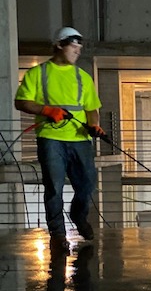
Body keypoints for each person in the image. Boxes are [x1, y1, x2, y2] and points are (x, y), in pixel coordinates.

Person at [14, 26, 106, 254]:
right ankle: (58, 235)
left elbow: (92, 108)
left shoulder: (82, 77)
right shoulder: (38, 74)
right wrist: (48, 110)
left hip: (80, 139)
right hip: (50, 138)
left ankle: (78, 215)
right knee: (54, 188)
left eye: (79, 48)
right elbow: (22, 102)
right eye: (73, 47)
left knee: (87, 183)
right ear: (59, 45)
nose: (77, 52)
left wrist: (94, 125)